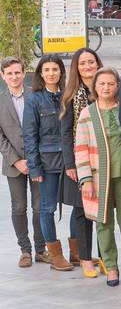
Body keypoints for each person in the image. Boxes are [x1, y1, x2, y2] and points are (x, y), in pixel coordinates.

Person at [74, 67, 121, 286]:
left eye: (111, 83)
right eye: (102, 84)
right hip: (99, 177)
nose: (106, 88)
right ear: (95, 87)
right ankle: (110, 266)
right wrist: (86, 179)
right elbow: (80, 148)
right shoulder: (87, 114)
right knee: (103, 222)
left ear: (118, 86)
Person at [23, 55, 74, 271]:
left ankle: (78, 250)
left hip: (69, 160)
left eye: (55, 69)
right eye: (47, 70)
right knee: (47, 208)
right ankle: (55, 255)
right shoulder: (34, 100)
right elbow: (29, 136)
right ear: (41, 74)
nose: (51, 73)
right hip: (46, 162)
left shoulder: (67, 96)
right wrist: (34, 166)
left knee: (78, 206)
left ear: (61, 72)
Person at [1, 57, 47, 267]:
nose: (14, 77)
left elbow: (45, 129)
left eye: (17, 72)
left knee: (40, 207)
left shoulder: (36, 96)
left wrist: (34, 158)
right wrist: (16, 161)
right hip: (13, 164)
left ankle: (40, 249)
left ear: (23, 73)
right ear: (3, 76)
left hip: (38, 161)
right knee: (19, 207)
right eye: (9, 73)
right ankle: (25, 250)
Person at [61, 47, 102, 278]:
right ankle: (85, 258)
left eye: (91, 62)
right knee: (81, 212)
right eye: (83, 63)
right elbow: (65, 133)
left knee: (103, 211)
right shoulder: (71, 96)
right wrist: (70, 165)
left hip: (103, 159)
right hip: (81, 161)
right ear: (76, 68)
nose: (88, 67)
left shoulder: (106, 89)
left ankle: (105, 256)